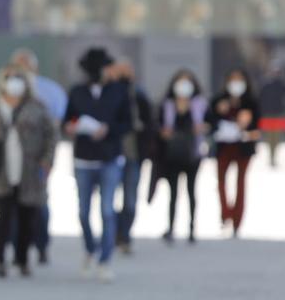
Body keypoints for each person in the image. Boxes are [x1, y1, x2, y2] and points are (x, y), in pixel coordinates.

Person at [0, 66, 56, 277]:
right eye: (9, 78)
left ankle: (22, 259)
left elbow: (51, 135)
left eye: (18, 78)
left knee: (28, 216)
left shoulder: (37, 106)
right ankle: (0, 259)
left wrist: (47, 161)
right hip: (2, 169)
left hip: (29, 169)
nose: (14, 83)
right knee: (4, 215)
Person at [61, 47, 132, 282]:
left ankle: (105, 259)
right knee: (83, 211)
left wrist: (108, 130)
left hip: (110, 157)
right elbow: (68, 118)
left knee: (107, 210)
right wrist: (72, 126)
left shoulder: (119, 91)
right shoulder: (78, 92)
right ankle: (90, 249)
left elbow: (127, 123)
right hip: (83, 158)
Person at [10, 48, 66, 263]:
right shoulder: (7, 91)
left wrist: (47, 159)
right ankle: (18, 249)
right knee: (13, 204)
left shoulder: (49, 92)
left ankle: (42, 245)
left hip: (38, 158)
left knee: (38, 202)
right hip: (12, 160)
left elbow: (55, 128)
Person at [207, 69, 262, 238]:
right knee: (221, 181)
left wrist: (245, 127)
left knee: (240, 183)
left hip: (242, 148)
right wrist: (219, 113)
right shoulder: (218, 100)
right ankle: (225, 214)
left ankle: (237, 220)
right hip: (223, 147)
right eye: (233, 80)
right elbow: (209, 122)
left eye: (239, 80)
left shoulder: (251, 102)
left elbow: (257, 129)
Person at [157, 69, 209, 244]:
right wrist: (163, 132)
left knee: (191, 191)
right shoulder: (168, 104)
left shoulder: (200, 103)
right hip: (172, 154)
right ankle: (171, 227)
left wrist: (203, 127)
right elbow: (158, 126)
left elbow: (210, 122)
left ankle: (192, 229)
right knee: (172, 193)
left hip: (192, 153)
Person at [110, 59, 155, 255]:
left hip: (134, 155)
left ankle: (124, 236)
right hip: (111, 155)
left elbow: (150, 125)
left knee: (130, 200)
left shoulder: (139, 96)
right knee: (109, 200)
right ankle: (113, 234)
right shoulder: (108, 95)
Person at [258, 65, 285, 168]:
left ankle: (273, 156)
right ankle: (271, 156)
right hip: (268, 115)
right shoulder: (266, 85)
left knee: (276, 137)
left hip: (278, 115)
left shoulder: (282, 85)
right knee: (270, 137)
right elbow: (260, 98)